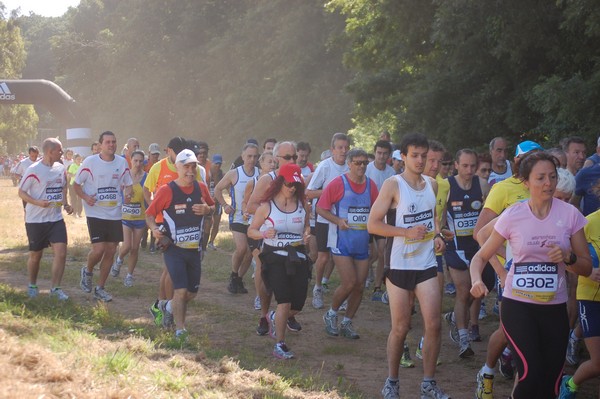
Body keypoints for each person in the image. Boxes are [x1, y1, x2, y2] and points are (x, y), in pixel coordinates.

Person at [470, 151, 592, 399]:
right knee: (530, 374)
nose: (548, 183)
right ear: (526, 182)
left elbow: (586, 267)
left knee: (551, 382)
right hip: (519, 306)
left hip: (554, 309)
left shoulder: (570, 215)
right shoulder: (514, 214)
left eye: (552, 177)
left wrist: (568, 258)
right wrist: (478, 280)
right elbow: (480, 256)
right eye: (541, 178)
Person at [368, 133, 449, 399]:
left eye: (424, 156)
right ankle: (392, 380)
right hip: (399, 264)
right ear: (402, 157)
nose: (420, 160)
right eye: (414, 155)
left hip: (426, 263)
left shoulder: (432, 185)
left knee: (434, 324)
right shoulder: (393, 185)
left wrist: (437, 236)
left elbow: (432, 219)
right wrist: (405, 232)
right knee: (401, 327)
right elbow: (373, 224)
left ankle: (428, 383)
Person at [145, 149, 214, 341]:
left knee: (191, 294)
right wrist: (154, 229)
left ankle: (165, 306)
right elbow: (149, 214)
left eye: (193, 166)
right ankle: (180, 330)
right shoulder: (167, 190)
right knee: (181, 290)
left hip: (194, 249)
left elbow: (213, 207)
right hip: (173, 249)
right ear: (177, 167)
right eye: (186, 167)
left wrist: (207, 209)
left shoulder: (201, 187)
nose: (190, 171)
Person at [247, 163, 311, 359]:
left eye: (296, 185)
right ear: (280, 182)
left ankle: (275, 317)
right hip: (274, 256)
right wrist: (264, 233)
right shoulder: (266, 207)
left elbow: (308, 226)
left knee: (297, 305)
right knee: (283, 299)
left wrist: (307, 235)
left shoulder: (303, 205)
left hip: (297, 256)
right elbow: (251, 230)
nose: (292, 188)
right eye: (289, 184)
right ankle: (280, 345)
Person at [319, 148, 379, 339]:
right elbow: (321, 208)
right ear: (350, 164)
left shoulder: (371, 186)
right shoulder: (338, 183)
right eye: (358, 163)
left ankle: (347, 322)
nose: (362, 166)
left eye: (364, 163)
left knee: (360, 285)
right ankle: (331, 314)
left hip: (361, 242)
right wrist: (338, 221)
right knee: (349, 282)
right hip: (340, 241)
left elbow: (377, 212)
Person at [247, 142, 302, 335]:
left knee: (293, 274)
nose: (292, 160)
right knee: (264, 274)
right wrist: (273, 212)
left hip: (289, 238)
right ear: (276, 159)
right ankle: (264, 315)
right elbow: (250, 207)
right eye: (287, 157)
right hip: (264, 234)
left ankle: (286, 313)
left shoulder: (297, 179)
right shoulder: (267, 179)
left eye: (294, 157)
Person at [74, 131, 133, 302]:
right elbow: (76, 185)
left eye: (114, 142)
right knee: (98, 250)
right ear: (100, 145)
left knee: (111, 250)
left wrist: (128, 194)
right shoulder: (90, 162)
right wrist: (86, 197)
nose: (111, 145)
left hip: (114, 213)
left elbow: (127, 185)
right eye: (107, 142)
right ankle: (88, 271)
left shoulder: (122, 163)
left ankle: (100, 288)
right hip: (95, 212)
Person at [443, 149, 491, 358]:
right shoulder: (446, 186)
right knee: (463, 291)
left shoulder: (481, 184)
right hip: (454, 247)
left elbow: (490, 214)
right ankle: (463, 338)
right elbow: (439, 215)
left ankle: (456, 316)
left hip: (477, 248)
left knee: (475, 291)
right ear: (456, 165)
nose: (469, 170)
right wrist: (441, 231)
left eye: (473, 166)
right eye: (465, 166)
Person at [18, 138, 72, 300]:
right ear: (50, 151)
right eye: (59, 150)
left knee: (61, 253)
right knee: (36, 255)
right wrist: (37, 203)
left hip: (55, 219)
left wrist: (66, 204)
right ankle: (32, 285)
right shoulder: (34, 169)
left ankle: (55, 289)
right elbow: (21, 192)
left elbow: (63, 186)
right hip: (35, 220)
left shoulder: (61, 168)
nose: (62, 153)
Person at [558, 208, 600, 398]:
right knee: (598, 362)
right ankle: (570, 384)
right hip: (591, 297)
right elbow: (568, 257)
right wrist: (589, 271)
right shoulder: (589, 222)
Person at [307, 132, 350, 309]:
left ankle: (343, 294)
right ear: (332, 149)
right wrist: (330, 192)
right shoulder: (325, 167)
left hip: (344, 219)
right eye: (340, 147)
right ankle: (317, 288)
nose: (343, 151)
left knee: (342, 257)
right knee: (323, 257)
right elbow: (309, 193)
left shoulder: (351, 166)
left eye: (346, 148)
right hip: (325, 217)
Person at [214, 142, 260, 294]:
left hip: (255, 219)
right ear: (242, 156)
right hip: (238, 217)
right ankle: (234, 275)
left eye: (255, 156)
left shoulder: (261, 174)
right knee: (241, 248)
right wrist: (225, 205)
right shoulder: (234, 173)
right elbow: (218, 189)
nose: (252, 159)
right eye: (249, 156)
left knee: (250, 253)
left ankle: (238, 279)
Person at [111, 150, 147, 287]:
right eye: (135, 161)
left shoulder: (146, 177)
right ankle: (119, 260)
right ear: (130, 161)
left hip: (140, 217)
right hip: (125, 216)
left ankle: (129, 275)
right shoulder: (124, 176)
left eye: (140, 161)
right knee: (127, 245)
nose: (138, 164)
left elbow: (150, 197)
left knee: (135, 248)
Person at [365, 140, 395, 301]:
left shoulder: (391, 174)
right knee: (370, 254)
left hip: (383, 219)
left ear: (389, 155)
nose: (381, 156)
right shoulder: (367, 170)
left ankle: (377, 287)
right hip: (366, 217)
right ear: (375, 152)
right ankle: (361, 279)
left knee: (382, 251)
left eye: (384, 153)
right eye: (379, 153)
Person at [208, 154, 224, 250]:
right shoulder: (207, 173)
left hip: (217, 202)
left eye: (219, 164)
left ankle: (211, 242)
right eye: (216, 163)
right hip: (207, 202)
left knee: (216, 223)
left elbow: (226, 186)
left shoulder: (222, 174)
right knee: (207, 223)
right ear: (212, 163)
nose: (218, 165)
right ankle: (203, 241)